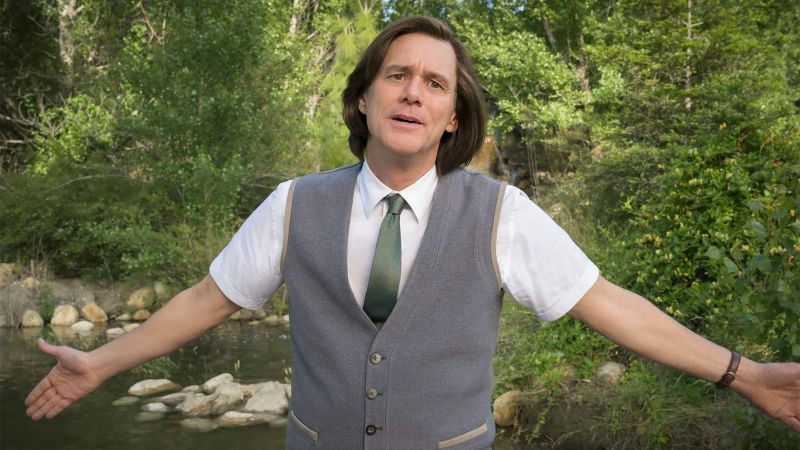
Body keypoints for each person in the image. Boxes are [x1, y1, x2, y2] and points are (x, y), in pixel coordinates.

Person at [26, 15, 799, 449]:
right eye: (396, 75)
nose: (413, 93)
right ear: (363, 99)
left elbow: (612, 306)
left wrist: (745, 374)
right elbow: (208, 299)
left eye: (434, 83)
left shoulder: (502, 215)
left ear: (453, 116)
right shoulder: (292, 205)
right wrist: (101, 363)